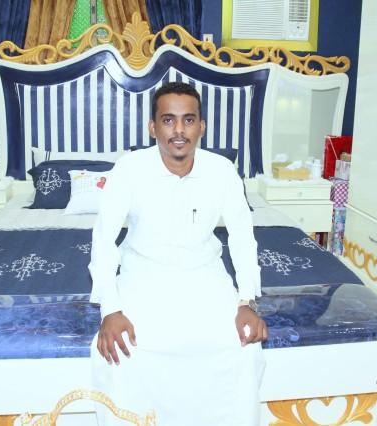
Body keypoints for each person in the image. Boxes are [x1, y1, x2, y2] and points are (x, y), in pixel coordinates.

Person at [89, 82, 267, 426]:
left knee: (243, 346)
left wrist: (247, 301)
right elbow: (103, 239)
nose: (179, 130)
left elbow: (243, 238)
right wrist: (110, 309)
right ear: (153, 127)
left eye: (189, 120)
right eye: (168, 120)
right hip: (143, 273)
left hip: (205, 273)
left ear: (201, 126)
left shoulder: (222, 171)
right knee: (122, 349)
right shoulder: (129, 169)